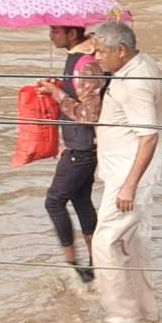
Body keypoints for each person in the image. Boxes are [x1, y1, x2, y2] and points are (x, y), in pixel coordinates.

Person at [39, 22, 162, 323]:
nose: (97, 56)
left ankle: (121, 316)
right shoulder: (135, 67)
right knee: (133, 245)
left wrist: (130, 185)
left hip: (128, 177)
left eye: (103, 51)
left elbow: (148, 137)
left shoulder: (134, 82)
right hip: (122, 172)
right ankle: (146, 311)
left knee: (106, 244)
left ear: (121, 51)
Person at [43, 25, 104, 283]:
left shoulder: (86, 64)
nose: (51, 36)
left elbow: (90, 116)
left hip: (83, 148)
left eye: (56, 31)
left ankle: (73, 263)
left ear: (72, 34)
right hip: (79, 146)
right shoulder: (77, 59)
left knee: (54, 201)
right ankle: (95, 265)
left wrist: (57, 95)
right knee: (80, 201)